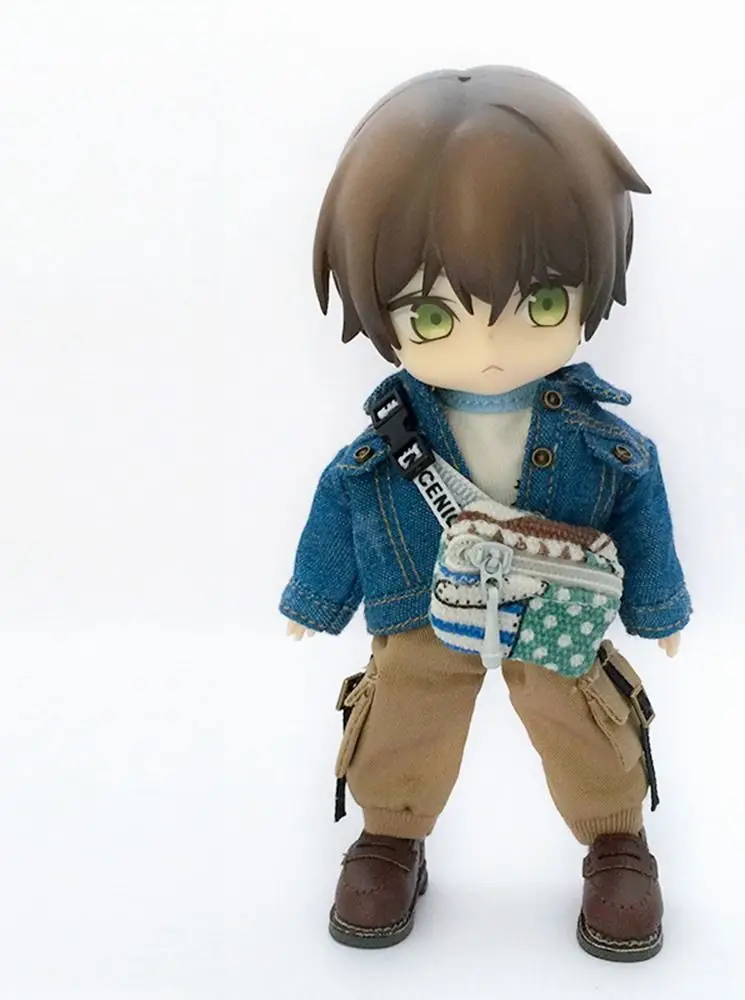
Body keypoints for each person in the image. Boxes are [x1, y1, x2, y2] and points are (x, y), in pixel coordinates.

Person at [280, 65, 691, 962]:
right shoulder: (387, 443)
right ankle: (391, 833)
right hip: (421, 603)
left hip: (556, 606)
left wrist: (658, 610)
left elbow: (641, 505)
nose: (492, 347)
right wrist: (314, 601)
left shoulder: (605, 443)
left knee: (580, 709)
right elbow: (344, 494)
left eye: (541, 303)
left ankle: (616, 840)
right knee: (405, 707)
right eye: (433, 317)